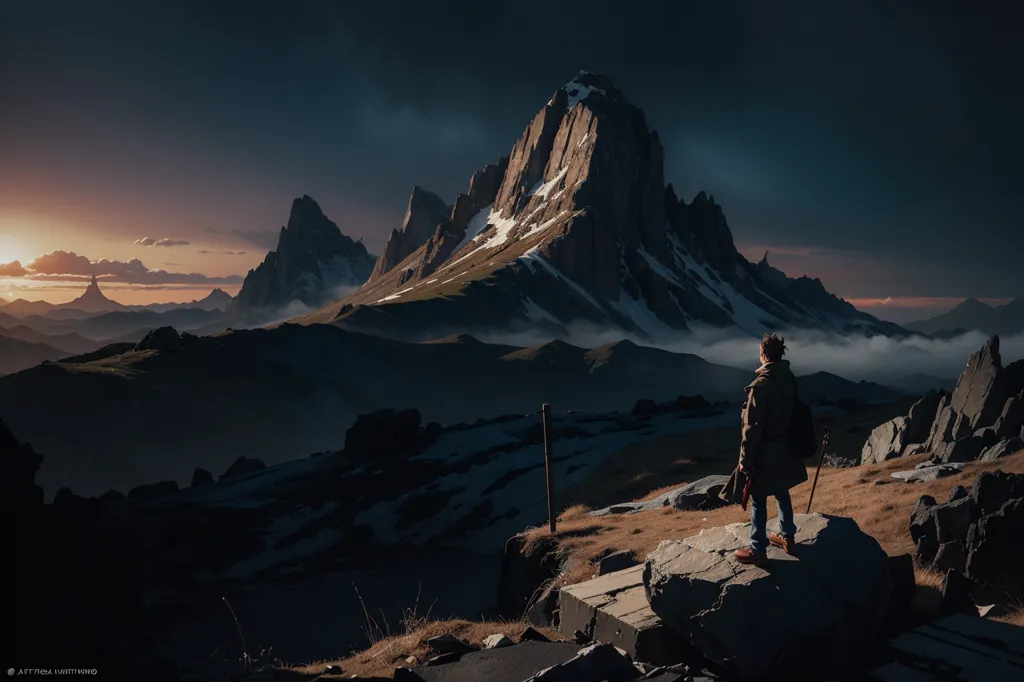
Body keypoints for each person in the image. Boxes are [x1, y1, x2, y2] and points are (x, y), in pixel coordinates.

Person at [733, 333, 808, 566]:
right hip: (785, 446)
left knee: (758, 498)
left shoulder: (761, 385)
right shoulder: (788, 378)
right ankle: (789, 538)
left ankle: (758, 549)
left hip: (766, 451)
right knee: (782, 491)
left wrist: (745, 459)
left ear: (764, 354)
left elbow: (752, 427)